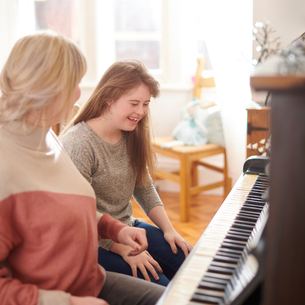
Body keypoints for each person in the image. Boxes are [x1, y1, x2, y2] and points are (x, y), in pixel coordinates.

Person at [0, 32, 165, 305]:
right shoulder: (7, 165)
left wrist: (114, 229)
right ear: (47, 88)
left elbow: (65, 209)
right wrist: (68, 302)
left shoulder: (47, 137)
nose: (80, 93)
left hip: (90, 281)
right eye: (74, 83)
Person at [60, 59, 193, 287]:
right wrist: (122, 248)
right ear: (109, 98)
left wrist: (169, 230)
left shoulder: (130, 132)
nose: (140, 112)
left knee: (192, 266)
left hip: (129, 229)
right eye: (133, 103)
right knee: (160, 286)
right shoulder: (79, 142)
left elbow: (143, 186)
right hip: (92, 242)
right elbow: (77, 213)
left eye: (145, 103)